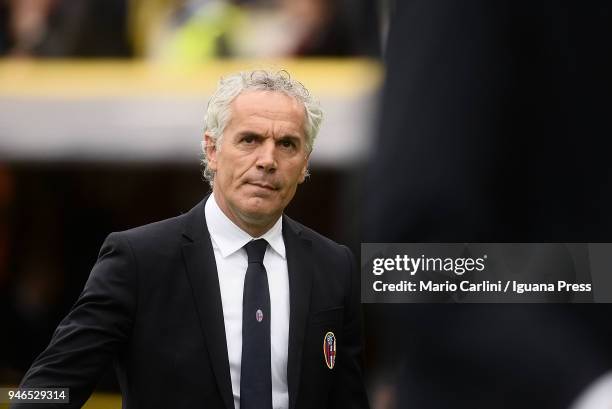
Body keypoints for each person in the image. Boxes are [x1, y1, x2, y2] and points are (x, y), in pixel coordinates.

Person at [12, 70, 369, 409]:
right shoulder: (139, 259)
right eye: (250, 139)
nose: (267, 160)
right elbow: (46, 390)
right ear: (212, 150)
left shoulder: (334, 266)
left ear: (304, 163)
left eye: (287, 144)